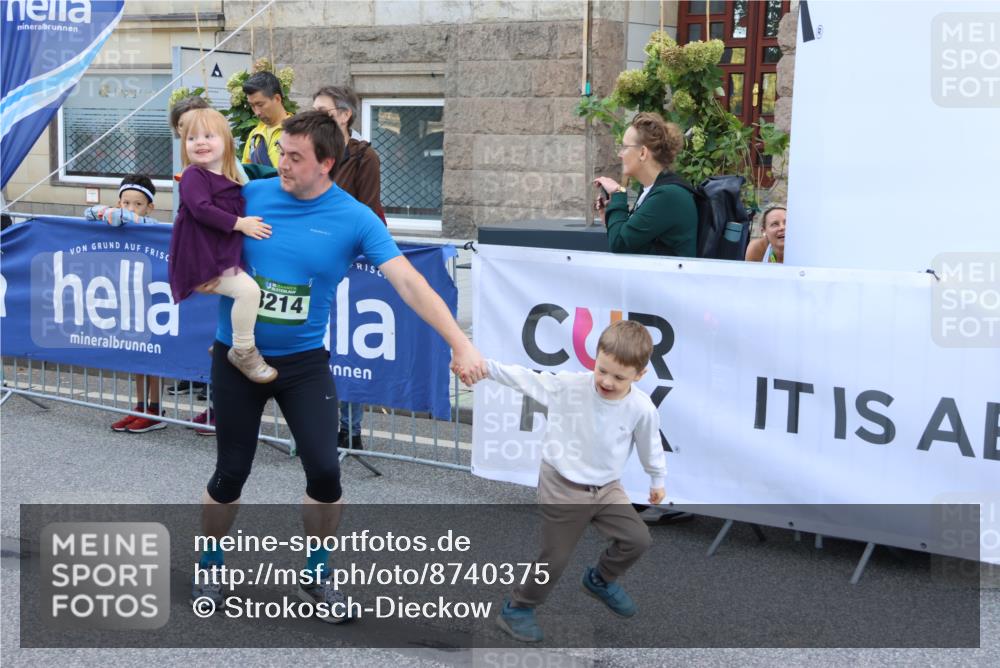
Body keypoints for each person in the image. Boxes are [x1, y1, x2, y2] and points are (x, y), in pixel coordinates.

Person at [190, 110, 486, 621]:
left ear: (326, 163)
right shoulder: (250, 196)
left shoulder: (355, 218)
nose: (282, 164)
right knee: (231, 472)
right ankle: (211, 564)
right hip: (238, 359)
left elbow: (410, 283)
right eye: (281, 153)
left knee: (326, 472)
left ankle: (317, 573)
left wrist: (460, 343)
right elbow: (193, 222)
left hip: (303, 364)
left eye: (294, 157)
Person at [481, 320, 666, 643]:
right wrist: (485, 367)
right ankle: (517, 609)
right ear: (595, 358)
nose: (606, 381)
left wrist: (657, 479)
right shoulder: (569, 386)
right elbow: (526, 378)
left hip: (607, 488)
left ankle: (600, 579)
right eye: (602, 370)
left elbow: (650, 445)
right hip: (562, 485)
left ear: (640, 375)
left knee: (638, 539)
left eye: (619, 377)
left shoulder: (641, 408)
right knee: (555, 558)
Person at [170, 107, 277, 383]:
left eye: (209, 136)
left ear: (227, 141)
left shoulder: (231, 179)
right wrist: (240, 224)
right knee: (248, 292)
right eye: (192, 138)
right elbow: (201, 209)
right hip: (202, 258)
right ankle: (242, 349)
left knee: (248, 291)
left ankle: (223, 343)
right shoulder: (193, 175)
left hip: (220, 255)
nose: (200, 142)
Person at [313, 85, 386, 450]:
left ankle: (349, 429)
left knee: (348, 346)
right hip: (314, 261)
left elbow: (368, 210)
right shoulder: (312, 150)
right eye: (313, 111)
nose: (317, 117)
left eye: (324, 112)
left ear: (344, 115)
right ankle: (317, 424)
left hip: (349, 261)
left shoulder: (363, 156)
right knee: (317, 346)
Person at [85, 175, 168, 433]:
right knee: (137, 356)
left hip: (152, 298)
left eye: (138, 204)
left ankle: (156, 410)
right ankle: (140, 407)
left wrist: (123, 215)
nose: (131, 209)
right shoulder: (115, 218)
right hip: (129, 296)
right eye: (126, 203)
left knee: (153, 356)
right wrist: (107, 212)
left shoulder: (151, 225)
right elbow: (89, 213)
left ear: (149, 207)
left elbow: (140, 222)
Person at [594, 112, 697, 257]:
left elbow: (619, 244)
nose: (620, 154)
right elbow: (635, 245)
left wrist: (618, 193)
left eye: (625, 147)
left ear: (642, 152)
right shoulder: (651, 190)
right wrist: (610, 217)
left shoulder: (668, 196)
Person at [241, 71, 291, 168]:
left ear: (277, 98)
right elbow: (245, 171)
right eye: (252, 106)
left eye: (260, 104)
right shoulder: (254, 135)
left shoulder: (297, 131)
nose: (257, 112)